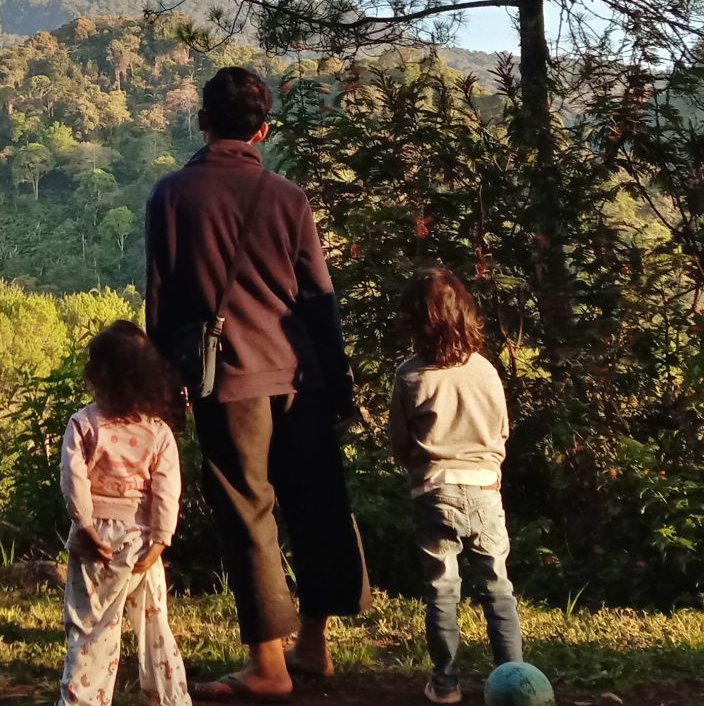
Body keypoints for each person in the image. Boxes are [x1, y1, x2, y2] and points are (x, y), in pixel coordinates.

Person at [145, 66, 370, 702]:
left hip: (231, 379)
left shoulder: (172, 195)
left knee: (249, 512)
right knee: (317, 500)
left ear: (202, 121)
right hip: (304, 374)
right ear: (263, 130)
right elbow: (319, 297)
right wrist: (341, 382)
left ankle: (269, 664)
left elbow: (161, 303)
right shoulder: (287, 196)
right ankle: (315, 646)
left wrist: (168, 392)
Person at [388, 266, 523, 705]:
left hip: (434, 491)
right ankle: (514, 679)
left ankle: (445, 684)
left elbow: (401, 442)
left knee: (443, 590)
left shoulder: (409, 376)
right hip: (485, 488)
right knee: (497, 587)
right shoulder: (484, 370)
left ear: (415, 322)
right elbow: (501, 431)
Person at [57, 319, 192, 706]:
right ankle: (172, 698)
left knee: (90, 629)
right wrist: (161, 539)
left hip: (95, 540)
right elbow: (168, 489)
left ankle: (83, 700)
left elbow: (73, 479)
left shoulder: (84, 424)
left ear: (98, 373)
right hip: (142, 539)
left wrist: (83, 524)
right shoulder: (158, 432)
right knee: (154, 626)